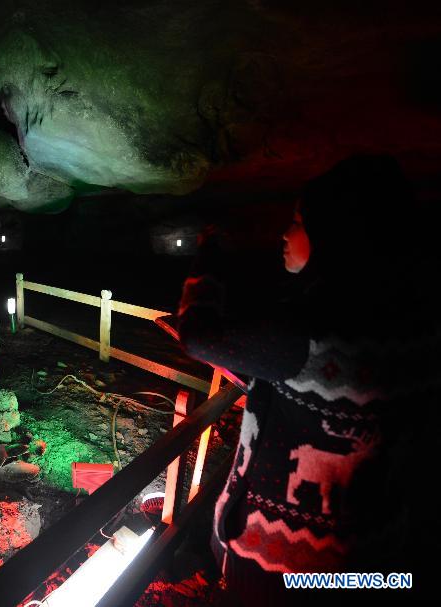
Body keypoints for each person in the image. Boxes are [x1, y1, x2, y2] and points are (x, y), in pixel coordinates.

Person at [178, 155, 435, 605]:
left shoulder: (309, 331)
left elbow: (198, 335)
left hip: (284, 569)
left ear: (337, 234)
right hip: (377, 557)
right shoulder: (417, 326)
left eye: (298, 221)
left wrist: (209, 259)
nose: (284, 234)